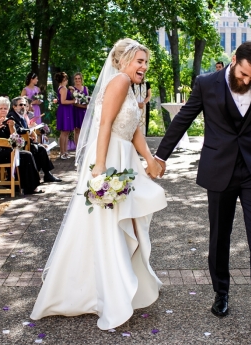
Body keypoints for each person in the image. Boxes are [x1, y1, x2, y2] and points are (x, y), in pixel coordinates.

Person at [155, 41, 251, 333]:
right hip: (219, 170)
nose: (247, 81)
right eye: (243, 74)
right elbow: (183, 119)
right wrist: (159, 157)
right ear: (234, 60)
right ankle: (221, 291)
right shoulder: (207, 83)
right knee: (220, 235)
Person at [31, 38, 166, 330]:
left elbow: (133, 130)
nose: (144, 66)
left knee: (128, 220)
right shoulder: (118, 81)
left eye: (146, 61)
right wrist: (101, 168)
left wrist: (150, 160)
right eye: (139, 61)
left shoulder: (129, 87)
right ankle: (107, 291)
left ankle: (124, 283)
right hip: (110, 157)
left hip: (124, 156)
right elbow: (104, 125)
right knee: (110, 224)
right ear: (123, 61)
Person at [0, 97, 42, 195]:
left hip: (8, 153)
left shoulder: (10, 120)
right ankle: (28, 187)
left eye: (5, 108)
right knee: (26, 156)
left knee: (26, 155)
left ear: (8, 109)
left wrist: (12, 127)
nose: (3, 110)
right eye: (0, 108)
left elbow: (15, 140)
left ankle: (22, 185)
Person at [7, 96, 60, 183]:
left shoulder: (21, 116)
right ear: (14, 106)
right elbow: (18, 130)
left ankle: (47, 174)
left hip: (26, 141)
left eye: (24, 104)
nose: (23, 106)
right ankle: (41, 175)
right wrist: (30, 130)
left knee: (41, 148)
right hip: (18, 145)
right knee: (39, 149)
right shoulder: (12, 116)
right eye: (21, 105)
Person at [55, 72, 75, 160]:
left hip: (67, 110)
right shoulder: (63, 88)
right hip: (64, 110)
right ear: (63, 79)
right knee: (64, 132)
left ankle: (65, 151)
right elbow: (63, 101)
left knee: (66, 132)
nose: (67, 80)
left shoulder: (64, 88)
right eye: (66, 78)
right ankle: (62, 152)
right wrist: (73, 101)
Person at [72, 72, 89, 145]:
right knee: (77, 130)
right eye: (76, 79)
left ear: (81, 79)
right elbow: (73, 102)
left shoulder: (85, 88)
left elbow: (87, 99)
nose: (77, 80)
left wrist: (87, 104)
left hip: (84, 111)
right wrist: (83, 106)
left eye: (79, 78)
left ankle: (83, 146)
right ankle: (77, 148)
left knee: (84, 129)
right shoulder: (73, 89)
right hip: (76, 110)